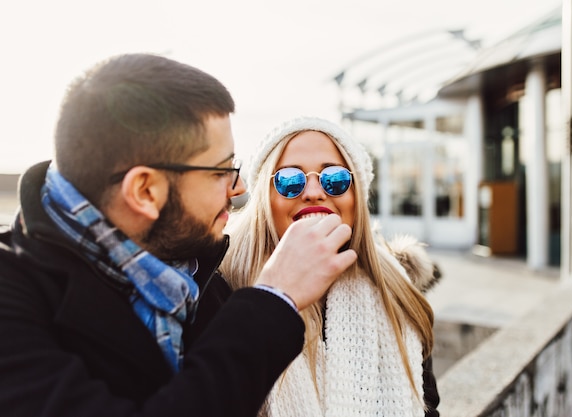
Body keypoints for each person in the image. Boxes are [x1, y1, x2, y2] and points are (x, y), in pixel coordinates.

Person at [0, 55, 357, 416]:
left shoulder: (202, 282)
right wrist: (274, 299)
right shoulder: (12, 298)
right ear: (145, 191)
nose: (239, 189)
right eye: (221, 172)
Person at [221, 116, 441, 417]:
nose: (313, 192)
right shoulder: (223, 290)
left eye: (335, 179)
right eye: (289, 180)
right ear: (265, 199)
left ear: (357, 197)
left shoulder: (398, 293)